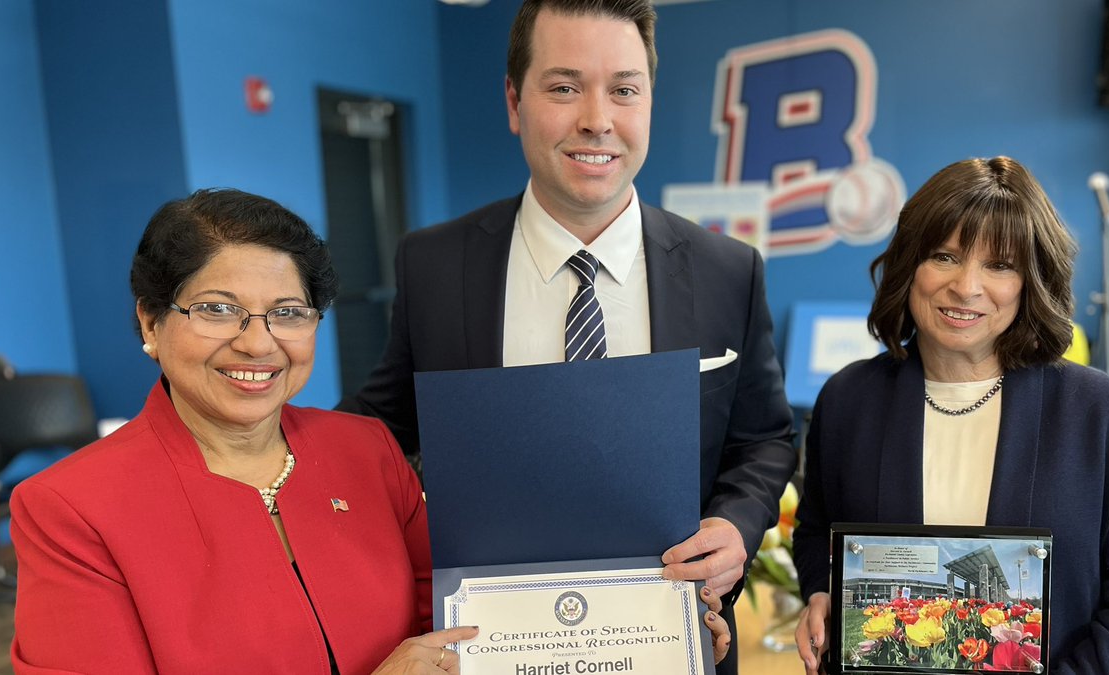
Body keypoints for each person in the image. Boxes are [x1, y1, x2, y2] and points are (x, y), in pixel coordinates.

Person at [336, 1, 796, 672]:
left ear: (648, 101)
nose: (597, 119)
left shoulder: (728, 270)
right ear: (514, 100)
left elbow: (763, 439)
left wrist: (735, 524)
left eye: (624, 90)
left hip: (673, 639)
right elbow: (376, 432)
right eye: (564, 86)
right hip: (495, 648)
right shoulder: (436, 266)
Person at [10, 188, 479, 673]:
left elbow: (456, 621)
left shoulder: (367, 449)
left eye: (289, 312)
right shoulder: (69, 509)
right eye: (217, 309)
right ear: (150, 322)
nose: (257, 344)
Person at [791, 157, 1109, 674]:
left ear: (1031, 280)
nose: (966, 286)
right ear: (910, 265)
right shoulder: (849, 400)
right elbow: (817, 530)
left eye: (999, 265)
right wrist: (822, 593)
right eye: (944, 256)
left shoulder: (1105, 417)